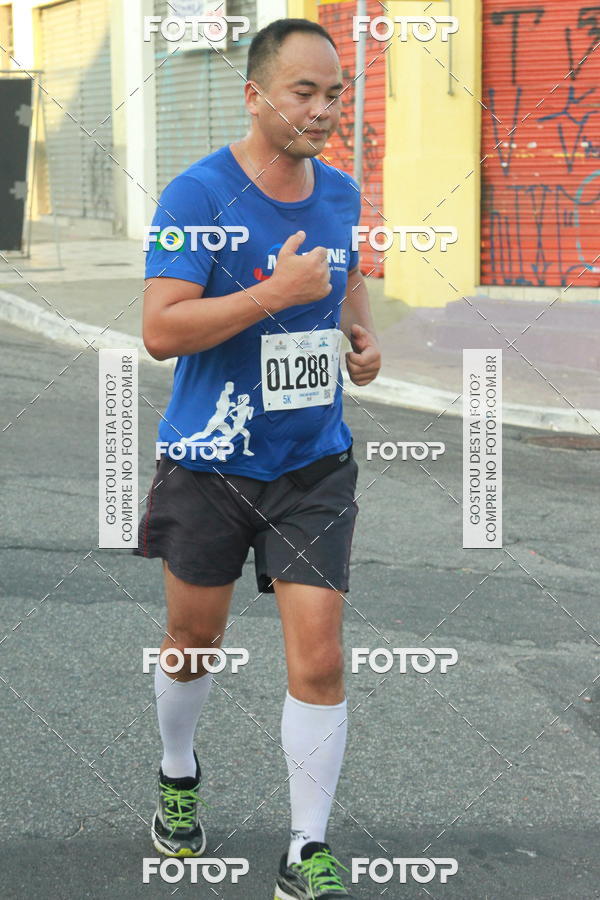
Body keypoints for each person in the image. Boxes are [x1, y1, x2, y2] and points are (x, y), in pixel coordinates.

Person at [133, 17, 381, 899]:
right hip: (208, 462)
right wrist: (273, 293)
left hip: (313, 461)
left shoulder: (344, 192)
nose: (322, 111)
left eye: (335, 94)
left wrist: (360, 334)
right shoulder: (197, 195)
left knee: (319, 657)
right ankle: (176, 772)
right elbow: (161, 329)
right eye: (303, 92)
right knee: (193, 642)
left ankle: (304, 849)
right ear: (255, 95)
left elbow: (346, 276)